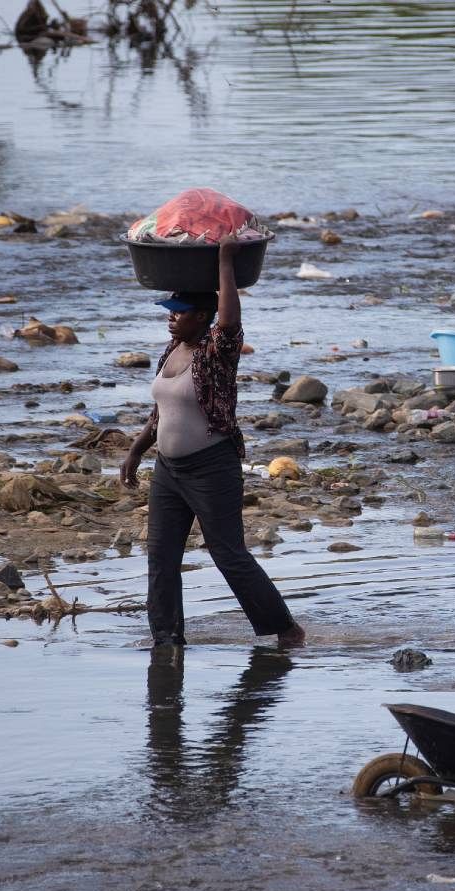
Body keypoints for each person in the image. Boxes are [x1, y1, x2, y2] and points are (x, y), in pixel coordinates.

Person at [122, 240, 306, 649]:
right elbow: (161, 412)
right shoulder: (173, 349)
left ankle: (286, 629)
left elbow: (231, 322)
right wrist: (136, 450)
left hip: (211, 468)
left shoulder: (216, 352)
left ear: (202, 317)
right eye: (170, 313)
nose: (171, 320)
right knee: (161, 556)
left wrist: (224, 260)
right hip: (169, 471)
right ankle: (167, 640)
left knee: (228, 554)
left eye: (179, 314)